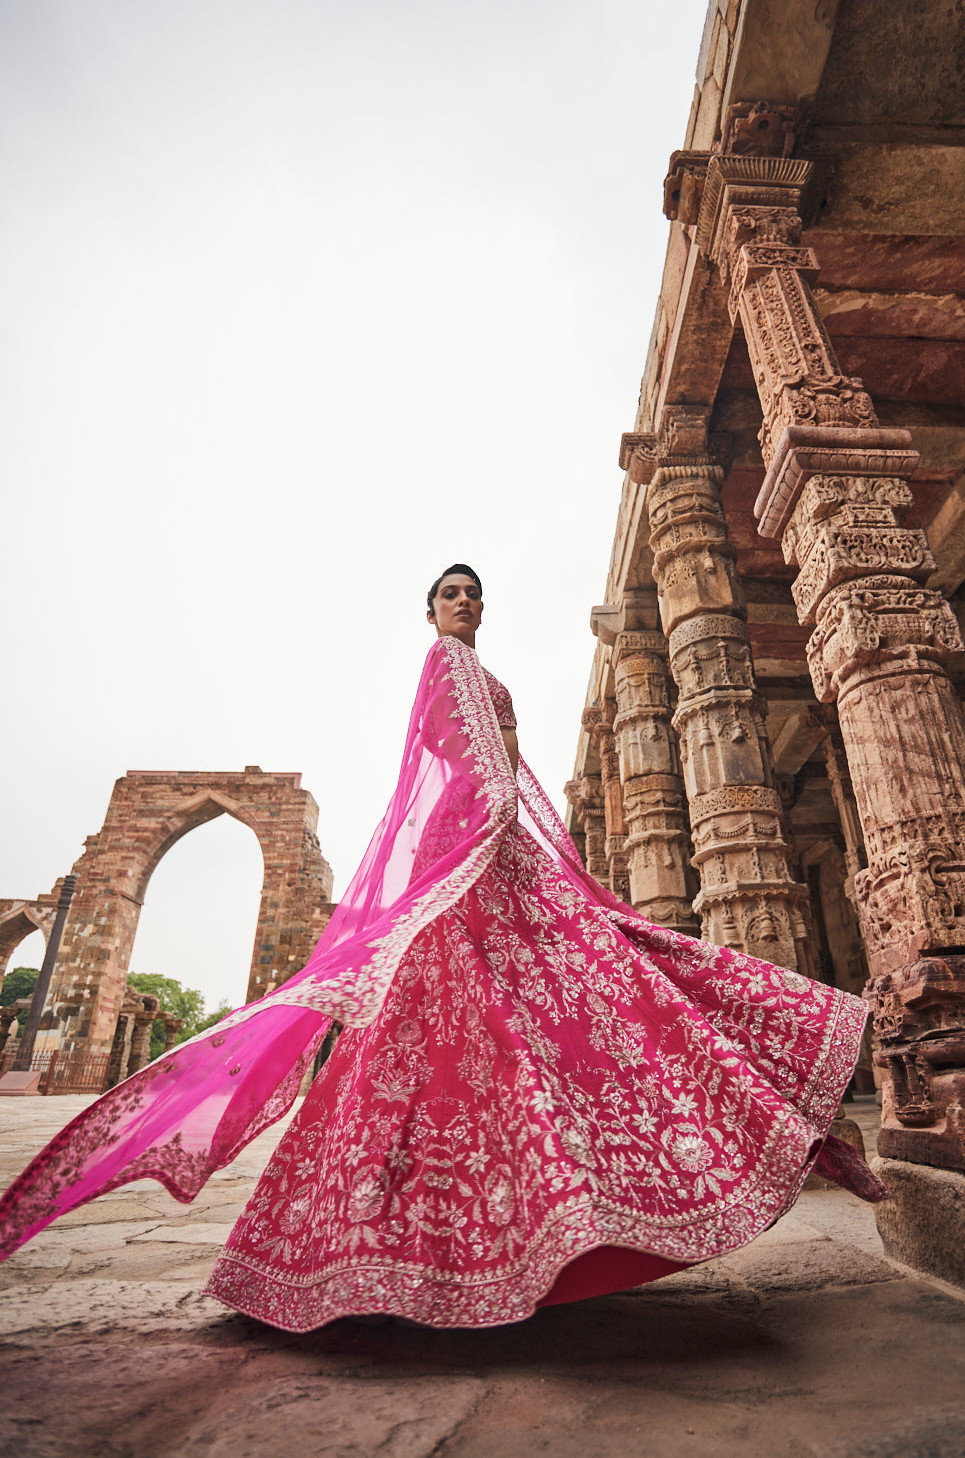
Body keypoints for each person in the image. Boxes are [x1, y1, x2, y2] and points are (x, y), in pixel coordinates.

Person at [0, 562, 884, 1330]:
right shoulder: (443, 663)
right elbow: (465, 771)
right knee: (480, 1024)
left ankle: (528, 1227)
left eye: (472, 595)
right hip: (465, 855)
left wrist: (539, 848)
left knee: (560, 1000)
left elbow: (510, 767)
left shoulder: (478, 667)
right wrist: (493, 837)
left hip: (494, 853)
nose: (462, 604)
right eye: (449, 595)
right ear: (429, 612)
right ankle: (434, 1244)